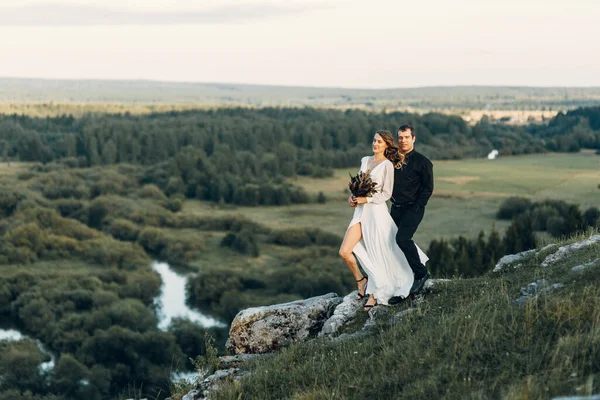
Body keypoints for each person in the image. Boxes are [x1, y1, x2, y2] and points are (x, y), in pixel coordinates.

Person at [339, 130, 428, 310]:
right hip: (360, 212)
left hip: (376, 213)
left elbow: (386, 193)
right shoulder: (365, 160)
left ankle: (374, 292)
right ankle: (361, 280)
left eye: (379, 141)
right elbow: (358, 184)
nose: (376, 144)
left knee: (376, 252)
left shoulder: (387, 165)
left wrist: (367, 199)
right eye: (374, 140)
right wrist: (353, 197)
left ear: (386, 145)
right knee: (345, 251)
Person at [391, 125, 434, 295]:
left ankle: (421, 273)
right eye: (400, 137)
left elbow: (428, 188)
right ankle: (400, 279)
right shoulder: (393, 160)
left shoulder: (423, 162)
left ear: (413, 138)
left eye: (406, 137)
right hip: (395, 208)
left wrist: (418, 206)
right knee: (391, 243)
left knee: (402, 239)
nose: (403, 140)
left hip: (413, 208)